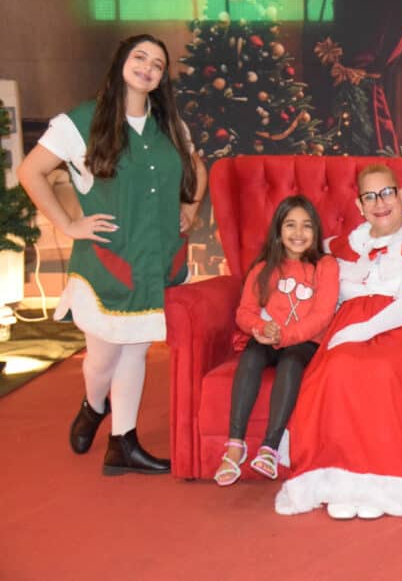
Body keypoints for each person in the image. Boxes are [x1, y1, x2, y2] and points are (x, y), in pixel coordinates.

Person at [18, 34, 207, 475]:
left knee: (135, 352)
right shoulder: (80, 121)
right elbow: (30, 171)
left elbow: (196, 166)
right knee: (103, 357)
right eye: (140, 57)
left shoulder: (169, 126)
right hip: (107, 262)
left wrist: (190, 208)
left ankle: (123, 442)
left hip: (155, 259)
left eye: (157, 64)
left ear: (162, 78)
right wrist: (67, 225)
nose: (148, 68)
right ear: (121, 61)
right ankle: (93, 405)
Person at [274, 164, 402, 520]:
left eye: (387, 193)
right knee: (337, 368)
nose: (380, 203)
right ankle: (341, 483)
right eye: (370, 196)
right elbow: (294, 263)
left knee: (383, 370)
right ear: (359, 205)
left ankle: (385, 485)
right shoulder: (345, 245)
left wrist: (368, 329)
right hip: (350, 327)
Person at [214, 195, 340, 486]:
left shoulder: (326, 265)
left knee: (291, 362)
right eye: (290, 225)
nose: (299, 233)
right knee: (251, 356)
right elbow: (244, 312)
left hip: (305, 342)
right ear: (279, 230)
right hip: (267, 337)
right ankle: (235, 446)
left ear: (316, 231)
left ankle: (270, 448)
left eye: (306, 226)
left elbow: (322, 316)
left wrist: (285, 334)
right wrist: (260, 327)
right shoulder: (264, 268)